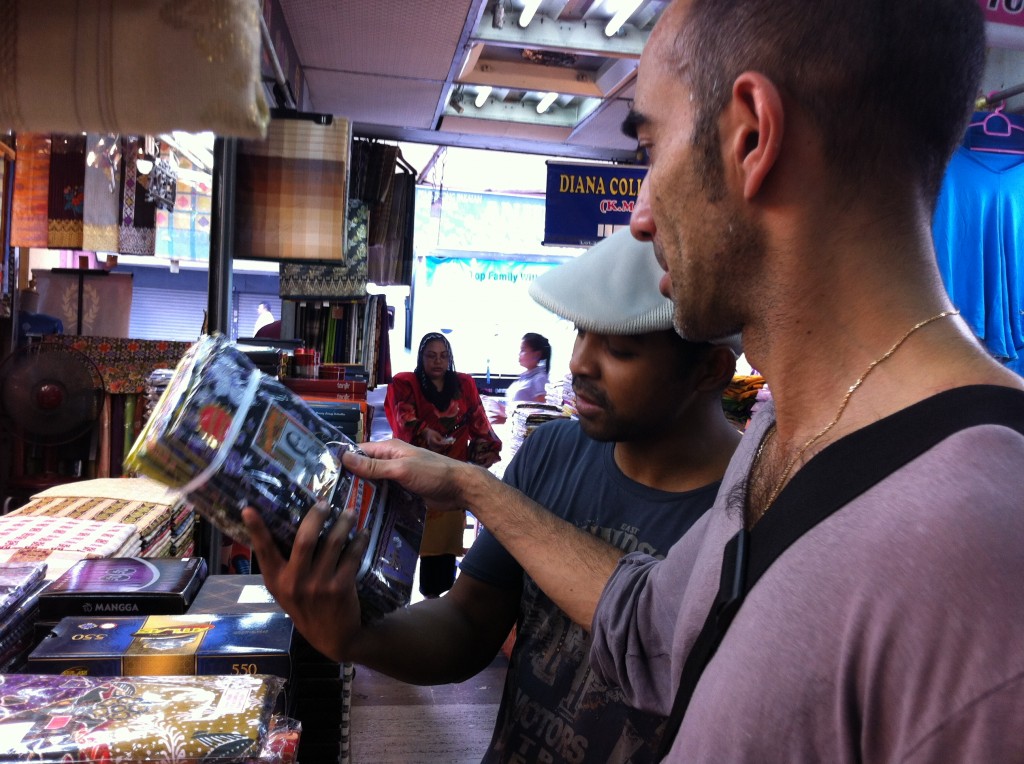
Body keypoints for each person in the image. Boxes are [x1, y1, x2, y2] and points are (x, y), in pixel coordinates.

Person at [331, 0, 1024, 761]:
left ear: (752, 137)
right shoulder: (780, 433)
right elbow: (651, 630)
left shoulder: (983, 541)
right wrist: (365, 608)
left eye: (649, 152)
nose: (640, 215)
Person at [242, 229, 742, 762]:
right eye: (579, 334)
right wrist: (354, 639)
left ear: (710, 370)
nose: (579, 364)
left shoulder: (751, 511)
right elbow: (469, 622)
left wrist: (471, 485)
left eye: (619, 348)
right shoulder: (553, 452)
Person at [384, 331, 501, 598]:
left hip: (451, 478)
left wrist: (482, 453)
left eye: (444, 356)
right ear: (421, 358)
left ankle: (435, 606)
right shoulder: (406, 383)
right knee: (406, 546)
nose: (438, 362)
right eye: (431, 356)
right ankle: (394, 606)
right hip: (416, 475)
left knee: (443, 555)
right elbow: (404, 421)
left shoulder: (464, 385)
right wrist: (425, 432)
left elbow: (479, 422)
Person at [491, 332, 552, 425]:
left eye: (523, 350)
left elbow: (540, 417)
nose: (519, 354)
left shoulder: (540, 379)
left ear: (537, 355)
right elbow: (517, 408)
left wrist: (506, 419)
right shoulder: (524, 377)